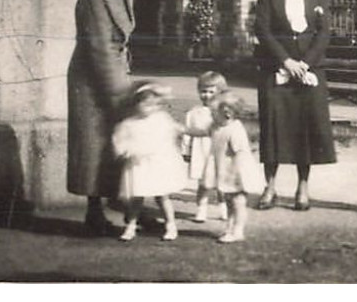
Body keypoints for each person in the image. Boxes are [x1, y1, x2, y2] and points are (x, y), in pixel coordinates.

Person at [67, 0, 146, 235]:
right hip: (91, 78)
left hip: (115, 70)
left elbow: (120, 41)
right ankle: (94, 211)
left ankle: (124, 206)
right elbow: (99, 47)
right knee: (94, 147)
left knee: (117, 144)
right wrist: (120, 92)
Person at [251, 0, 337, 211]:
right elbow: (262, 29)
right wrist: (286, 62)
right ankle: (270, 187)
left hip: (309, 70)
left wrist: (305, 64)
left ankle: (303, 187)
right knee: (273, 127)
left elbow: (324, 31)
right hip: (277, 67)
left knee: (305, 128)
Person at [110, 82, 186, 241]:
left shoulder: (161, 119)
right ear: (136, 104)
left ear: (157, 106)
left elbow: (171, 134)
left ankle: (170, 224)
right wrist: (124, 150)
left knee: (162, 196)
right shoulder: (129, 123)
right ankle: (130, 226)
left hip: (156, 164)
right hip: (138, 165)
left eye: (152, 105)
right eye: (143, 104)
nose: (147, 108)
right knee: (137, 197)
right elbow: (119, 139)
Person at [185, 92, 264, 244]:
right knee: (229, 202)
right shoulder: (216, 126)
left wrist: (236, 176)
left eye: (214, 113)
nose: (212, 116)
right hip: (226, 172)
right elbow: (202, 132)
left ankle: (238, 230)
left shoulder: (235, 129)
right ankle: (230, 228)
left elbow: (241, 154)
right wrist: (184, 130)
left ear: (228, 113)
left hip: (236, 173)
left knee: (238, 203)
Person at [184, 70, 227, 222]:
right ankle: (201, 209)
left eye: (211, 92)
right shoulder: (193, 112)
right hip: (200, 151)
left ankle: (224, 208)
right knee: (203, 183)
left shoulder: (223, 112)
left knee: (222, 183)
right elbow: (187, 131)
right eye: (203, 91)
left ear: (220, 92)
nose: (207, 95)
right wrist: (186, 150)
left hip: (217, 150)